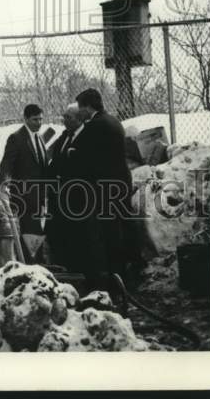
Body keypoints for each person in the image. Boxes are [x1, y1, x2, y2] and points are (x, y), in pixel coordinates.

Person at [70, 87, 133, 287]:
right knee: (120, 229)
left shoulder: (94, 126)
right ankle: (123, 276)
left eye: (80, 107)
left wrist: (72, 153)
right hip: (121, 183)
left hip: (104, 188)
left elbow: (81, 156)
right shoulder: (114, 121)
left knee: (107, 234)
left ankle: (113, 279)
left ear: (88, 107)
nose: (79, 112)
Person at [0, 104, 50, 240]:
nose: (39, 123)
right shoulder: (16, 138)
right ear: (26, 119)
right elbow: (6, 165)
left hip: (38, 198)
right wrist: (3, 187)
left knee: (36, 235)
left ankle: (34, 259)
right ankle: (28, 260)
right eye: (35, 119)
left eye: (40, 119)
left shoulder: (39, 138)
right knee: (29, 235)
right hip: (23, 197)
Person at [45, 103, 86, 268]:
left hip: (75, 194)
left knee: (73, 233)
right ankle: (60, 264)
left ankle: (73, 266)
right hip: (58, 192)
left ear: (79, 119)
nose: (64, 120)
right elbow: (55, 161)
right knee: (55, 230)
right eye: (64, 116)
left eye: (68, 117)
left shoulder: (85, 138)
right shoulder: (64, 136)